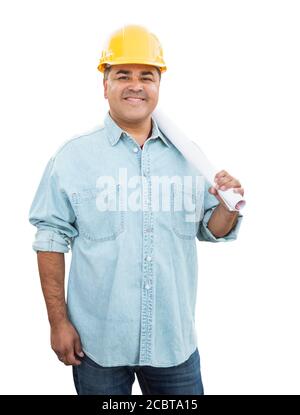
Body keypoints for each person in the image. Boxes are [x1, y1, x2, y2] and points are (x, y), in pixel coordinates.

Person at [28, 24, 244, 395]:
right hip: (97, 345)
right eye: (122, 75)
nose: (135, 85)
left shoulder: (189, 156)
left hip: (172, 343)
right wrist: (57, 321)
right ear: (105, 84)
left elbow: (214, 228)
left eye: (147, 76)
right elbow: (50, 239)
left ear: (158, 86)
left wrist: (229, 204)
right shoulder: (72, 158)